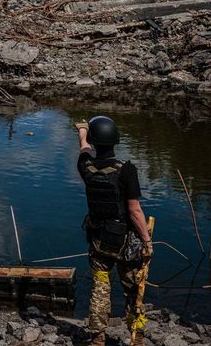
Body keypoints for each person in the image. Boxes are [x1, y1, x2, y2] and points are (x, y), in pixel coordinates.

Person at [75, 116, 153, 346]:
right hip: (125, 240)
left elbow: (84, 149)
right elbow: (134, 210)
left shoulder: (85, 167)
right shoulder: (126, 170)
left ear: (93, 139)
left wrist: (82, 131)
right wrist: (147, 240)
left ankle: (98, 337)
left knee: (100, 285)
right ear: (115, 141)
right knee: (132, 287)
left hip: (98, 239)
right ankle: (136, 336)